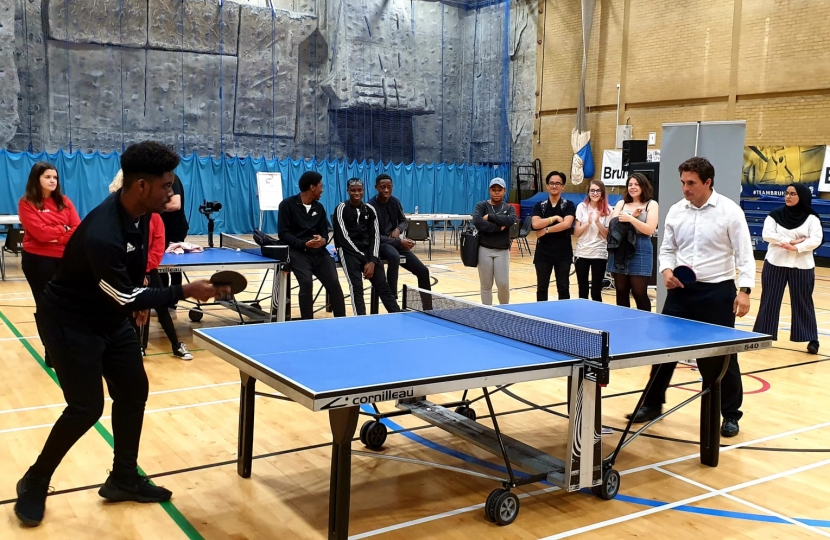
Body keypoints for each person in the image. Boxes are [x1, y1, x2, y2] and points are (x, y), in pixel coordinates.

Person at [14, 141, 228, 526]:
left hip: (110, 318)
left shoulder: (143, 215)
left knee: (133, 390)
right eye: (167, 185)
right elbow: (124, 293)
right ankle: (34, 481)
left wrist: (140, 297)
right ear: (142, 186)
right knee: (86, 407)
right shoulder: (103, 231)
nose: (171, 192)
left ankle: (123, 479)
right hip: (69, 322)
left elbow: (130, 278)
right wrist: (182, 290)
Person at [629, 157, 755, 438]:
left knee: (721, 357)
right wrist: (665, 269)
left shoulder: (729, 212)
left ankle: (730, 414)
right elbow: (667, 248)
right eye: (683, 182)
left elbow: (745, 254)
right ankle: (651, 404)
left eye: (691, 183)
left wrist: (744, 291)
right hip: (681, 293)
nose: (685, 188)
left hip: (718, 293)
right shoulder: (676, 211)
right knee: (663, 351)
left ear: (708, 183)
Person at [109, 171, 191, 360]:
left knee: (161, 307)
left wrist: (145, 270)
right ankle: (137, 347)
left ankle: (176, 344)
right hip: (128, 273)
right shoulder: (115, 218)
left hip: (148, 271)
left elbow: (157, 245)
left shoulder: (153, 217)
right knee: (130, 309)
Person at [17, 162, 81, 368]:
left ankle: (69, 347)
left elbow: (77, 228)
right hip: (38, 261)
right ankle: (51, 350)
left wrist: (57, 235)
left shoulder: (65, 202)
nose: (52, 180)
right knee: (46, 306)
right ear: (37, 179)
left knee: (68, 305)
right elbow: (40, 233)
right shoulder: (27, 203)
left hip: (65, 260)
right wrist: (62, 229)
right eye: (47, 177)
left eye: (55, 177)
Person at [753, 183, 823, 354]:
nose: (788, 197)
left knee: (803, 301)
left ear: (802, 196)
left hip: (802, 266)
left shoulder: (812, 218)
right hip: (775, 263)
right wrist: (790, 241)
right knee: (770, 299)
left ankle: (811, 338)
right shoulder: (775, 215)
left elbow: (816, 239)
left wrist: (798, 247)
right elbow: (767, 234)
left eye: (793, 194)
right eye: (787, 193)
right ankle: (763, 335)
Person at [277, 171, 346, 320]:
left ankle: (342, 320)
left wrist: (323, 240)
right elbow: (283, 233)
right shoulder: (287, 205)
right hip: (298, 252)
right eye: (321, 186)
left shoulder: (319, 208)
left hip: (319, 253)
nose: (322, 190)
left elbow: (325, 231)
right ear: (312, 187)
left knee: (334, 283)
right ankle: (307, 322)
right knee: (306, 282)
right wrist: (303, 244)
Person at [333, 178, 401, 316]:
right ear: (348, 191)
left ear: (363, 191)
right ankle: (361, 320)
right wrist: (364, 259)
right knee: (357, 287)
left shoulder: (370, 210)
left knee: (383, 286)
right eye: (353, 190)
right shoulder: (341, 208)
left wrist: (372, 260)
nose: (356, 193)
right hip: (348, 252)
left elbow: (374, 237)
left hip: (369, 254)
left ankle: (397, 316)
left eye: (359, 190)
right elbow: (343, 237)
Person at [367, 173, 431, 297]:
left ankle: (428, 307)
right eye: (382, 187)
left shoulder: (395, 202)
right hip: (380, 244)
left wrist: (398, 229)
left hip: (396, 241)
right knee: (394, 256)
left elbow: (403, 221)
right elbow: (374, 237)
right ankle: (392, 296)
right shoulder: (370, 207)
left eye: (389, 187)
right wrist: (399, 242)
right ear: (376, 187)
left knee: (423, 271)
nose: (386, 190)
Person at [608, 173, 659, 311]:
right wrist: (632, 216)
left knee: (639, 292)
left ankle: (645, 324)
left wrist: (631, 218)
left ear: (643, 186)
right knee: (621, 290)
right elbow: (614, 225)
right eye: (630, 184)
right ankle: (623, 324)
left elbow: (649, 229)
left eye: (636, 184)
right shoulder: (621, 203)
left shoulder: (651, 204)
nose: (633, 187)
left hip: (641, 247)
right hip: (620, 248)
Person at [531, 171, 576, 301]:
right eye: (551, 183)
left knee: (563, 288)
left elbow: (567, 224)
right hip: (543, 254)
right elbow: (535, 223)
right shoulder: (540, 205)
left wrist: (546, 230)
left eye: (558, 183)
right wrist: (554, 218)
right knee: (542, 288)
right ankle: (540, 317)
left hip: (563, 254)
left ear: (563, 186)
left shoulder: (568, 205)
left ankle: (562, 318)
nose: (554, 186)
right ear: (547, 186)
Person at [472, 178, 517, 305]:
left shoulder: (509, 208)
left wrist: (490, 217)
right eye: (494, 190)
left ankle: (505, 309)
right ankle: (487, 311)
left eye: (499, 190)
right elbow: (477, 221)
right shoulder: (482, 206)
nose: (496, 192)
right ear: (489, 191)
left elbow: (511, 220)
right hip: (484, 249)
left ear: (504, 191)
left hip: (502, 250)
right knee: (486, 285)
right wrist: (498, 228)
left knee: (503, 283)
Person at [573, 179, 612, 302]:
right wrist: (588, 223)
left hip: (599, 254)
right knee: (582, 290)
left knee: (596, 291)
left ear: (602, 193)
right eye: (592, 190)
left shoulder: (608, 210)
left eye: (598, 190)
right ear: (588, 192)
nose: (595, 193)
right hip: (582, 253)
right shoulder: (581, 207)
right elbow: (576, 233)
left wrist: (597, 222)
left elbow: (607, 235)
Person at [158, 172, 189, 318]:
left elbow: (175, 205)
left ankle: (172, 307)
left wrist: (155, 206)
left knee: (175, 268)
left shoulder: (173, 180)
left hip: (175, 230)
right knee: (161, 268)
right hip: (161, 230)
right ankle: (162, 304)